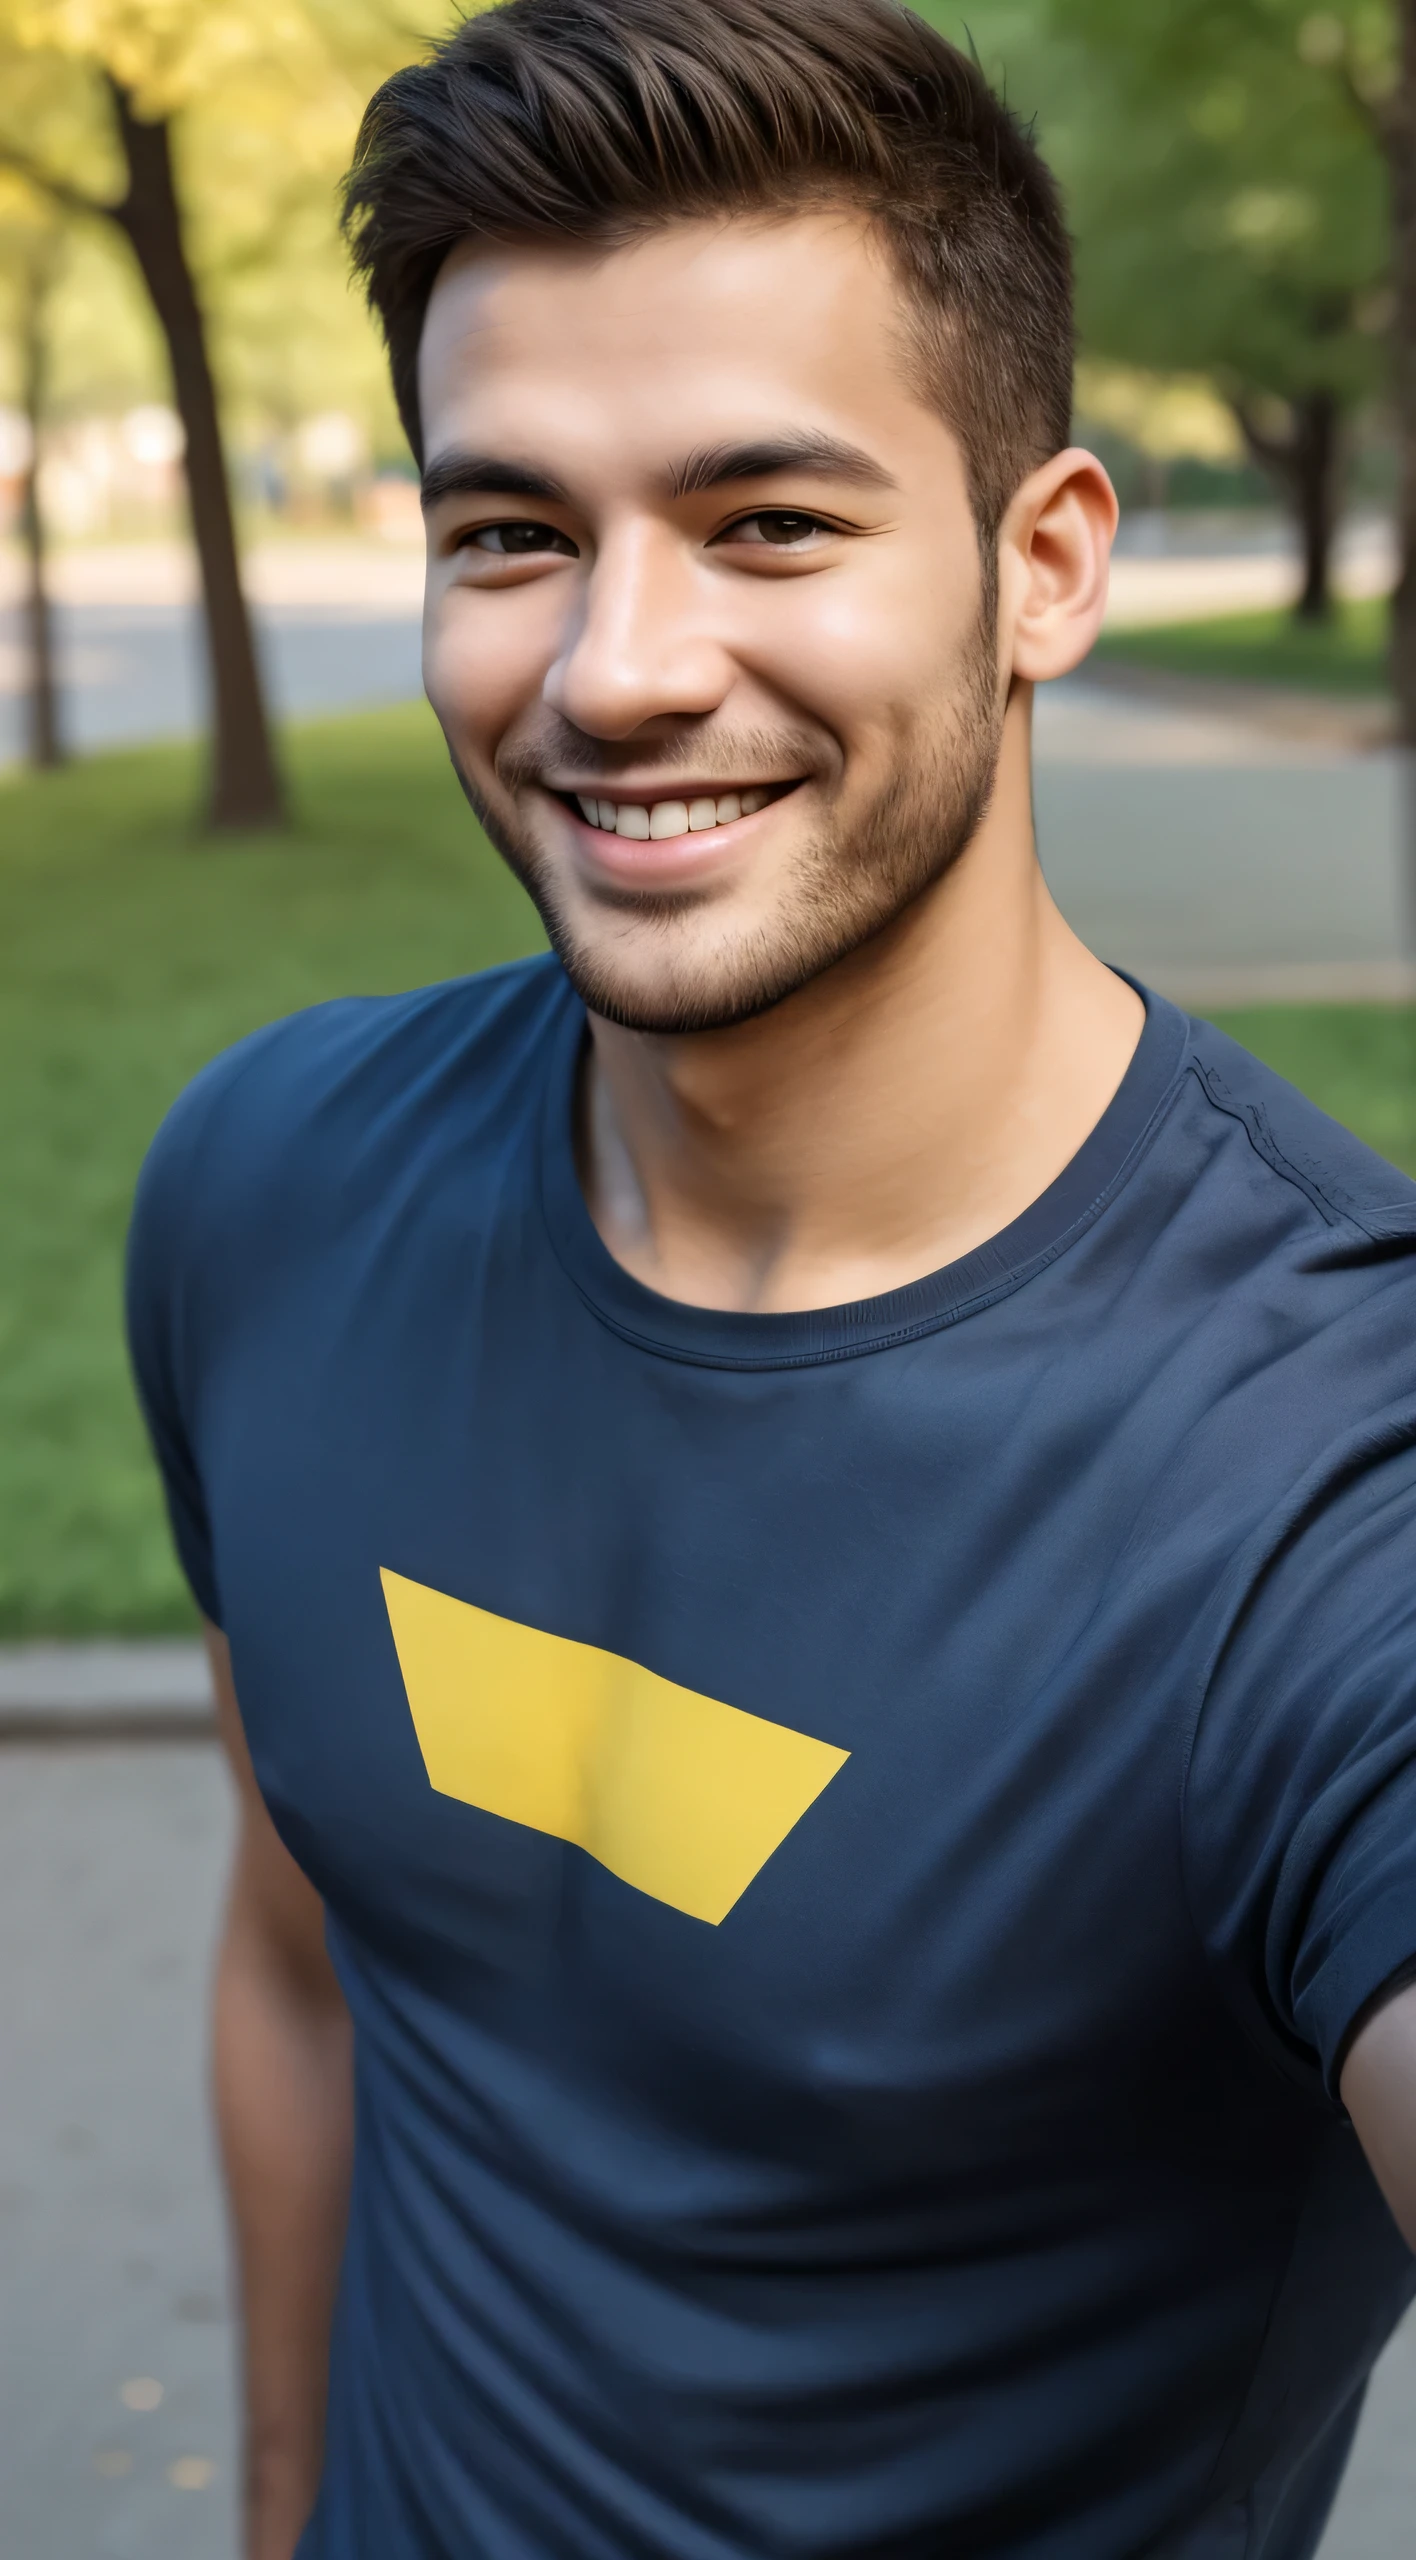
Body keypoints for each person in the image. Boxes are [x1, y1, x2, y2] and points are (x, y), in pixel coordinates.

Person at [126, 1, 1416, 2553]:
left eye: (770, 522)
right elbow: (308, 1959)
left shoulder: (1325, 1468)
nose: (615, 667)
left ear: (1046, 563)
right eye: (510, 531)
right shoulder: (264, 1188)